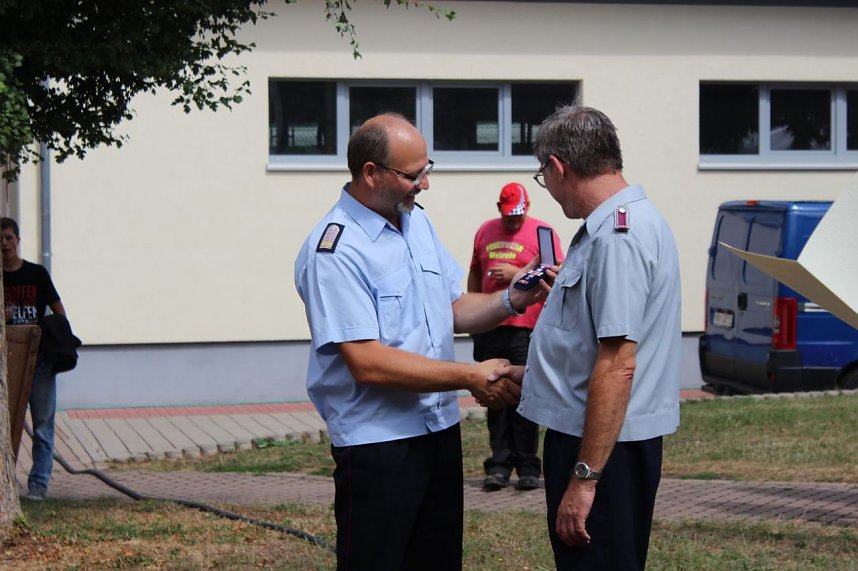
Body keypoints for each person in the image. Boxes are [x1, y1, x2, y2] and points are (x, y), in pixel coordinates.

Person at [294, 113, 549, 571]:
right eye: (414, 176)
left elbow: (452, 307)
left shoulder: (415, 225)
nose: (424, 186)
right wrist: (469, 376)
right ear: (371, 173)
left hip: (437, 433)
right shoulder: (336, 250)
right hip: (379, 446)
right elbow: (367, 363)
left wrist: (513, 298)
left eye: (426, 170)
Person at [496, 105, 681, 570]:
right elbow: (591, 343)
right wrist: (533, 374)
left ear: (558, 167)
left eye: (544, 177)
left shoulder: (617, 235)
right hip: (598, 438)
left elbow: (618, 363)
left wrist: (584, 479)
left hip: (600, 449)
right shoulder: (611, 226)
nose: (550, 190)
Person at [468, 182, 563, 492]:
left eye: (518, 215)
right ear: (499, 208)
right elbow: (474, 272)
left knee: (524, 396)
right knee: (493, 393)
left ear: (528, 207)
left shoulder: (541, 232)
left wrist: (515, 274)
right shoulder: (485, 231)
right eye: (509, 216)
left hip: (526, 326)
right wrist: (473, 312)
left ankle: (527, 465)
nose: (513, 221)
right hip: (491, 327)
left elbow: (556, 273)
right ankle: (498, 464)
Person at [1, 217, 67, 502]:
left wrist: (55, 340)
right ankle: (7, 482)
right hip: (6, 362)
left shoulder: (36, 274)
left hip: (38, 360)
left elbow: (59, 312)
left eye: (8, 238)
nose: (4, 244)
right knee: (7, 425)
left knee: (42, 424)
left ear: (18, 240)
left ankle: (38, 484)